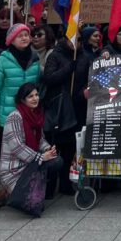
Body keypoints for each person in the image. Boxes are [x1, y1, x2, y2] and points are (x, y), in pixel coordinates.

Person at [0, 83, 64, 212]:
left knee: (57, 161)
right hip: (14, 169)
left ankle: (29, 187)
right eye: (30, 96)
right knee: (31, 207)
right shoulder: (14, 117)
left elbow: (40, 140)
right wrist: (41, 157)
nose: (35, 99)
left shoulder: (36, 115)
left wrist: (47, 149)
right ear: (22, 100)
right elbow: (17, 147)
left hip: (29, 163)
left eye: (36, 95)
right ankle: (4, 190)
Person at [0, 24, 42, 136]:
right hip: (8, 116)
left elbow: (37, 86)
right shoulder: (2, 61)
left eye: (26, 35)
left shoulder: (35, 59)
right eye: (19, 36)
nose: (24, 38)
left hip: (29, 115)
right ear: (11, 40)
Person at [40, 35, 78, 197]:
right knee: (55, 148)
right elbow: (49, 78)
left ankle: (65, 183)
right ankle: (49, 186)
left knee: (70, 150)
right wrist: (69, 68)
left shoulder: (79, 55)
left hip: (74, 109)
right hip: (59, 111)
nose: (75, 43)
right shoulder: (55, 55)